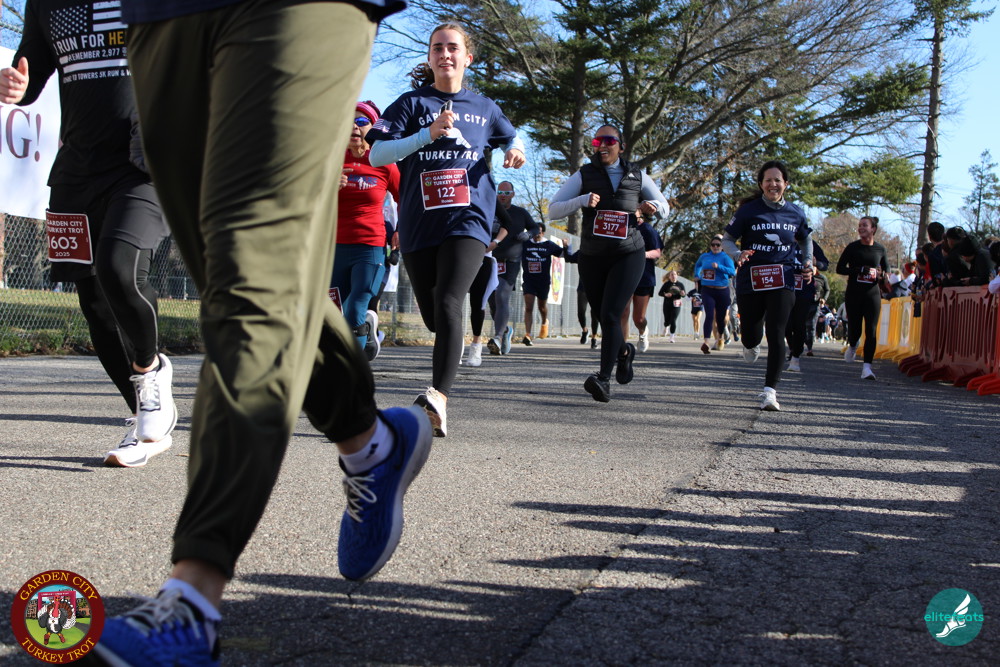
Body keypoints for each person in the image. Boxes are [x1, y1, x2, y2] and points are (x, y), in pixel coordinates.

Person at [93, 2, 433, 664]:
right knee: (242, 273)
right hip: (162, 14)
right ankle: (372, 444)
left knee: (252, 275)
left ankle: (190, 601)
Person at [2, 0, 177, 468]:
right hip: (76, 172)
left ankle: (150, 372)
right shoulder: (47, 4)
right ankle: (144, 418)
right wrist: (15, 87)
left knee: (119, 269)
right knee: (95, 302)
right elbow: (29, 75)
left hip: (144, 165)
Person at [367, 22, 525, 436]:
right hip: (420, 223)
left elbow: (512, 137)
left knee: (452, 301)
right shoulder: (410, 103)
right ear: (430, 56)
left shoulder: (484, 107)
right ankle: (445, 358)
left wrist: (516, 150)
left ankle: (438, 398)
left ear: (467, 57)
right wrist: (427, 134)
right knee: (437, 317)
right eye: (437, 47)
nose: (445, 54)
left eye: (452, 47)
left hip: (469, 219)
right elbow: (377, 154)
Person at [548, 124, 670, 402]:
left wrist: (653, 207)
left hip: (628, 253)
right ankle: (624, 352)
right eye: (597, 141)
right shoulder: (584, 174)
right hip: (593, 255)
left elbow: (664, 206)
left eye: (609, 141)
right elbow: (553, 210)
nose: (602, 145)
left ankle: (603, 379)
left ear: (621, 146)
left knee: (613, 314)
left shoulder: (637, 175)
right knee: (604, 316)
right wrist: (582, 200)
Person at [722, 160, 812, 411]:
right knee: (752, 334)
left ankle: (770, 392)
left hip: (783, 277)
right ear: (761, 184)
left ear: (786, 184)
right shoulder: (748, 211)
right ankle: (750, 343)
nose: (773, 184)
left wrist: (807, 261)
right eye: (768, 180)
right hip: (751, 279)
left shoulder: (796, 212)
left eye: (777, 180)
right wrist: (737, 254)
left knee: (776, 331)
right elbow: (728, 239)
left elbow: (805, 240)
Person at [331, 101, 400, 362]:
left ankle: (351, 369)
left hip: (370, 246)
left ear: (372, 128)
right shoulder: (331, 160)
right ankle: (365, 335)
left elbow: (405, 197)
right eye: (349, 121)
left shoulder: (382, 161)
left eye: (361, 122)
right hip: (334, 247)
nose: (354, 127)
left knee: (355, 307)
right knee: (335, 311)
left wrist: (401, 229)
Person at [487, 181, 538, 355]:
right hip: (490, 259)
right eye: (500, 192)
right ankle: (505, 331)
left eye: (507, 193)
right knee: (492, 301)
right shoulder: (490, 210)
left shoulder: (520, 213)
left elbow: (535, 227)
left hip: (511, 261)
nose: (503, 196)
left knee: (502, 294)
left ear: (513, 194)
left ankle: (497, 337)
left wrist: (528, 234)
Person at [836, 215, 888, 380]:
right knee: (855, 329)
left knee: (871, 330)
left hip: (872, 293)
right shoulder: (853, 247)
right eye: (859, 225)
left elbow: (886, 271)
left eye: (864, 225)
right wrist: (857, 270)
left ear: (873, 229)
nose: (861, 228)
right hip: (854, 293)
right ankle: (852, 345)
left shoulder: (880, 249)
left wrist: (882, 275)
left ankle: (867, 368)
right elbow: (839, 268)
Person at [785, 240, 829, 371]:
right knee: (786, 325)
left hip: (804, 291)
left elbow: (825, 264)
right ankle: (793, 348)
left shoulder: (810, 244)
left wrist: (816, 263)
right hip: (784, 288)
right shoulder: (783, 238)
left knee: (799, 324)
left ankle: (795, 357)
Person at [520, 222, 567, 345]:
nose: (537, 234)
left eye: (539, 232)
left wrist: (566, 246)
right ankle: (528, 334)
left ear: (543, 233)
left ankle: (544, 321)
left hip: (543, 281)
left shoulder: (548, 244)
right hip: (529, 280)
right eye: (535, 232)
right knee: (528, 307)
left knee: (542, 307)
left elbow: (563, 254)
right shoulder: (525, 243)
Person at [623, 216, 664, 352]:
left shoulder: (647, 229)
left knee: (638, 319)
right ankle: (621, 348)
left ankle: (643, 332)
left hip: (644, 277)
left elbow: (657, 252)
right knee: (623, 312)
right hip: (625, 276)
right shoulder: (620, 226)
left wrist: (642, 254)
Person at [693, 237, 736, 354]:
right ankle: (706, 342)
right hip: (707, 290)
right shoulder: (705, 256)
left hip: (722, 291)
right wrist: (697, 275)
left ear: (722, 247)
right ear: (710, 246)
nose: (715, 247)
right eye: (713, 245)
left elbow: (732, 272)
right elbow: (698, 265)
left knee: (720, 318)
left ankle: (720, 338)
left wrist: (719, 267)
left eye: (718, 245)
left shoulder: (726, 257)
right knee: (709, 315)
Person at [658, 270, 686, 342]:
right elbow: (660, 293)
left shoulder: (680, 284)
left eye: (675, 274)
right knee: (667, 320)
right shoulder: (666, 284)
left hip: (676, 304)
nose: (673, 276)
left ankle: (672, 337)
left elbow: (684, 295)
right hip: (667, 304)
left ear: (677, 275)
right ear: (669, 276)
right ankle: (666, 326)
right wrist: (666, 294)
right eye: (672, 275)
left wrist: (683, 294)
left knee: (673, 320)